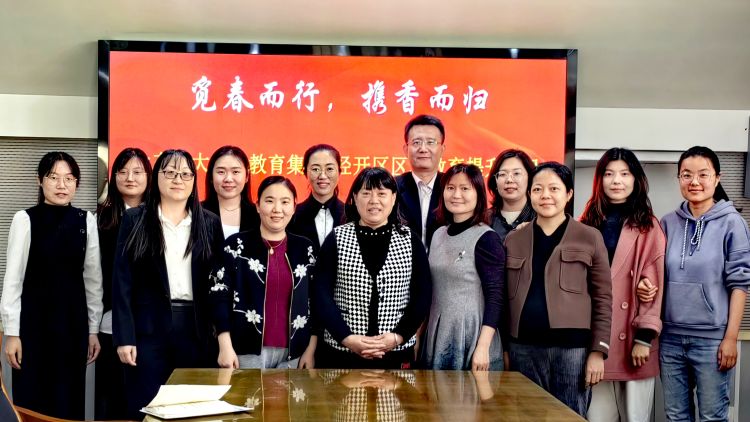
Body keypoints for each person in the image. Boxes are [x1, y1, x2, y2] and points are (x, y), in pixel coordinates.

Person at [112, 149, 225, 419]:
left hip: (196, 329)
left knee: (193, 409)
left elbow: (219, 284)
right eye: (170, 173)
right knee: (148, 407)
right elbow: (122, 282)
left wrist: (222, 335)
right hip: (147, 330)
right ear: (157, 178)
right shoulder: (135, 219)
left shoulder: (209, 223)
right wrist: (124, 337)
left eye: (185, 174)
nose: (178, 180)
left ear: (194, 181)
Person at [639, 146, 749, 421]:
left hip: (712, 341)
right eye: (686, 175)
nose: (694, 182)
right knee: (676, 416)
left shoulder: (732, 223)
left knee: (712, 417)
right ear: (679, 179)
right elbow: (654, 271)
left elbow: (740, 284)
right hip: (670, 339)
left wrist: (731, 338)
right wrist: (644, 284)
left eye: (703, 174)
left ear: (717, 178)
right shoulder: (667, 223)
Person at [504, 162, 612, 417]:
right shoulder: (513, 239)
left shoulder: (589, 236)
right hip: (524, 348)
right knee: (526, 416)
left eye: (554, 189)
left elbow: (603, 297)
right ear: (529, 194)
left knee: (570, 416)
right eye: (538, 189)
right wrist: (506, 348)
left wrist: (598, 351)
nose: (545, 196)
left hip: (572, 350)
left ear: (569, 194)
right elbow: (505, 300)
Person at [1, 151, 103, 420]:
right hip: (33, 328)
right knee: (32, 401)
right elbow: (13, 281)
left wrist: (93, 329)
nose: (61, 185)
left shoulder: (86, 221)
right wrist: (12, 333)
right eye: (53, 177)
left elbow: (93, 281)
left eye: (69, 178)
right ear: (40, 180)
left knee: (69, 402)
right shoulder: (25, 219)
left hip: (73, 326)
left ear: (77, 183)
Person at [315, 167, 432, 369]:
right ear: (355, 197)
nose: (374, 200)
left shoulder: (410, 240)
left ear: (393, 198)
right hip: (342, 352)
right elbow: (321, 293)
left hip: (396, 352)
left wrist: (398, 336)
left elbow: (423, 295)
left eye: (381, 194)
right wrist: (346, 338)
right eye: (366, 193)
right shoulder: (336, 238)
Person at [580, 148, 666, 422]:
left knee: (635, 417)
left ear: (636, 179)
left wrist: (644, 338)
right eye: (609, 174)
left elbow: (654, 285)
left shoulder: (648, 226)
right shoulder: (587, 222)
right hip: (595, 339)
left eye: (624, 174)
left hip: (632, 341)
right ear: (600, 179)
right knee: (595, 417)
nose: (616, 180)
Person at [209, 176, 317, 369]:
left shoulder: (305, 249)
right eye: (269, 201)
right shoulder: (235, 246)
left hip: (295, 352)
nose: (277, 209)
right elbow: (219, 296)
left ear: (294, 207)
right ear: (258, 206)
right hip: (244, 350)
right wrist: (225, 346)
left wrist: (311, 349)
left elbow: (317, 301)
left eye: (285, 202)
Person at [422, 163, 505, 371]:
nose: (456, 194)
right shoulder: (438, 234)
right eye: (450, 188)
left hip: (472, 335)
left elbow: (496, 296)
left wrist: (483, 347)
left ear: (478, 194)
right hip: (438, 330)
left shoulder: (486, 238)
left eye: (465, 188)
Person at [96, 147, 152, 420]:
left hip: (151, 325)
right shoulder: (100, 219)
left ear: (149, 177)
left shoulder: (160, 217)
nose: (130, 178)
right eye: (123, 171)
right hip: (111, 324)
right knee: (114, 399)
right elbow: (94, 275)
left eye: (137, 172)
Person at [396, 114, 446, 251]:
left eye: (431, 142)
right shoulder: (391, 188)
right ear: (406, 149)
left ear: (442, 149)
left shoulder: (452, 187)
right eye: (416, 142)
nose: (423, 149)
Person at [288, 144, 346, 254]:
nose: (323, 176)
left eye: (329, 169)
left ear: (339, 172)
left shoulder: (351, 215)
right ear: (305, 172)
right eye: (315, 169)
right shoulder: (292, 215)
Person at [202, 145, 260, 239]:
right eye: (221, 172)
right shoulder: (196, 212)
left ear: (247, 176)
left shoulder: (258, 214)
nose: (228, 179)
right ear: (211, 176)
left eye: (235, 172)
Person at [486, 149, 536, 243]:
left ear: (530, 178)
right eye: (502, 174)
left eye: (516, 173)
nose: (509, 180)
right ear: (495, 181)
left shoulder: (541, 218)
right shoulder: (484, 220)